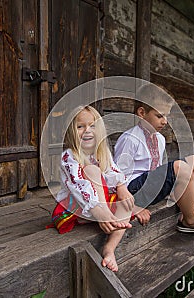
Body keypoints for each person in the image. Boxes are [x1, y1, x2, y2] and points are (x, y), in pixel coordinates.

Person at [114, 84, 194, 233]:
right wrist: (134, 208)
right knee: (179, 167)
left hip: (150, 188)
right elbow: (117, 178)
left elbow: (157, 170)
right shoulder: (130, 139)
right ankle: (191, 219)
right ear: (142, 113)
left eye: (166, 116)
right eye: (159, 116)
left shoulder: (159, 139)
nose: (165, 121)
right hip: (132, 192)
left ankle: (187, 212)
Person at [49, 105, 134, 272]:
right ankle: (105, 216)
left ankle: (110, 248)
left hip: (99, 204)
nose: (87, 131)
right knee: (92, 170)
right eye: (80, 126)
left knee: (127, 203)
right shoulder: (69, 156)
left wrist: (121, 186)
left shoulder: (102, 152)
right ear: (72, 131)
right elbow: (77, 184)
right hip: (78, 206)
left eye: (92, 126)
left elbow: (113, 171)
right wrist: (98, 210)